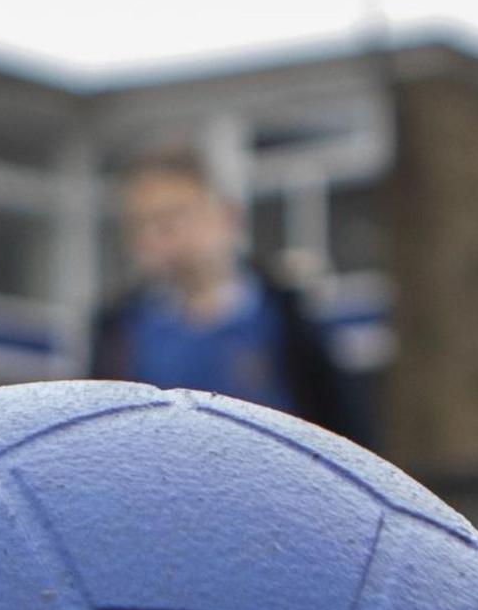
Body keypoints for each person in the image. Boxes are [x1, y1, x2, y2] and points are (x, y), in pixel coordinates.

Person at [87, 142, 371, 445]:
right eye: (141, 223)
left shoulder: (289, 319)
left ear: (227, 216)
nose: (157, 235)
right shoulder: (118, 333)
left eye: (173, 215)